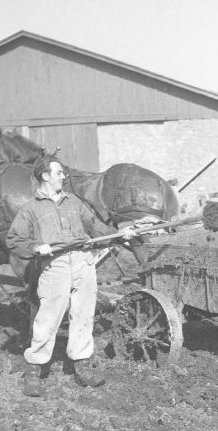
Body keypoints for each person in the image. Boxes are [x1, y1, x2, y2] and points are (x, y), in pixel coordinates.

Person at [7, 156, 136, 397]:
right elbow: (14, 240)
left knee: (84, 314)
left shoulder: (74, 202)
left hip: (83, 261)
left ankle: (82, 365)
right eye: (58, 173)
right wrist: (35, 248)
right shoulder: (30, 209)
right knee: (48, 317)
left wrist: (120, 234)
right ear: (45, 176)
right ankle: (34, 370)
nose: (63, 177)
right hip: (54, 265)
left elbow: (96, 228)